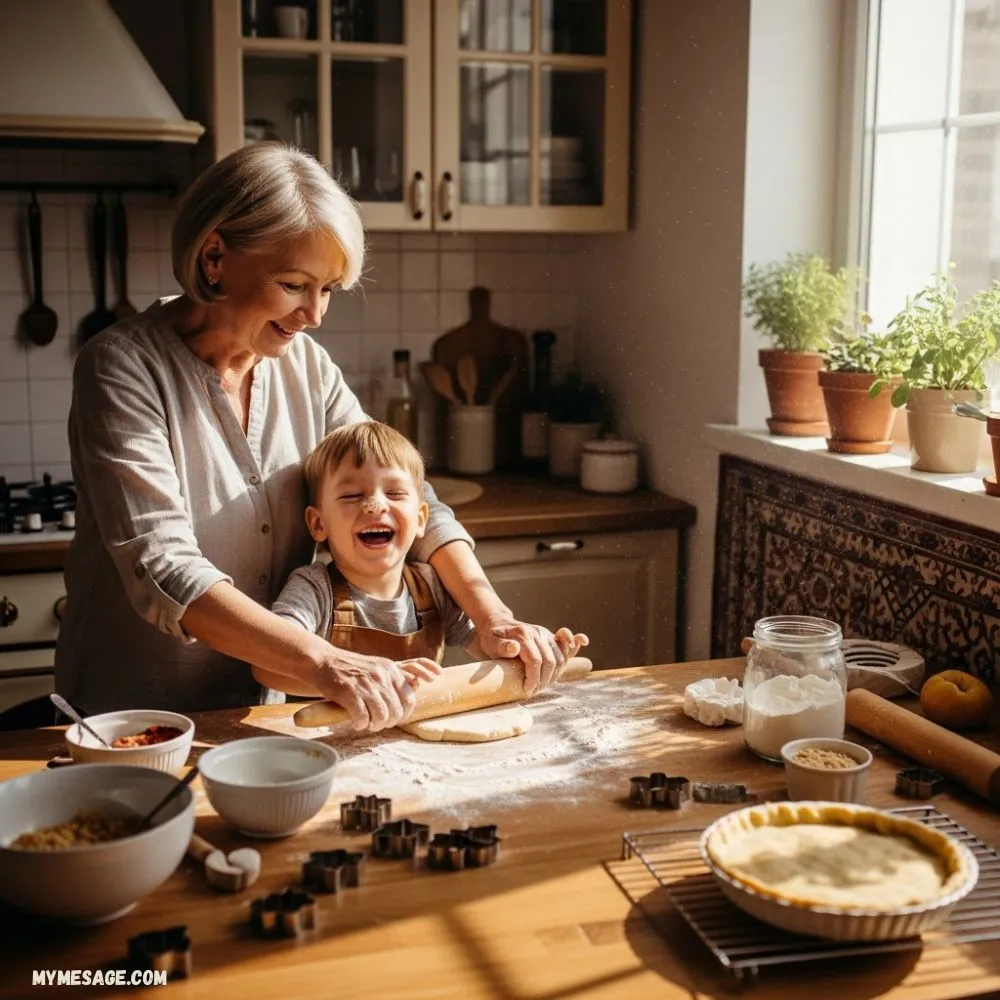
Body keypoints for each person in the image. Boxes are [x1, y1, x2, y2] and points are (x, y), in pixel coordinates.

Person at [54, 142, 582, 730]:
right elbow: (163, 564)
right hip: (136, 715)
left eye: (328, 289)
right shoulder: (121, 366)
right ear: (213, 259)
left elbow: (415, 497)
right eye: (293, 285)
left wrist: (492, 617)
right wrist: (328, 662)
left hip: (265, 712)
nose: (314, 314)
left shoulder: (307, 366)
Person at [272, 421, 587, 686]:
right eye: (353, 495)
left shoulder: (431, 587)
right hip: (331, 747)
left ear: (422, 519)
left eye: (394, 493)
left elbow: (491, 647)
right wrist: (346, 677)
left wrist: (534, 650)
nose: (375, 505)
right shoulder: (313, 590)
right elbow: (270, 663)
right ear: (318, 523)